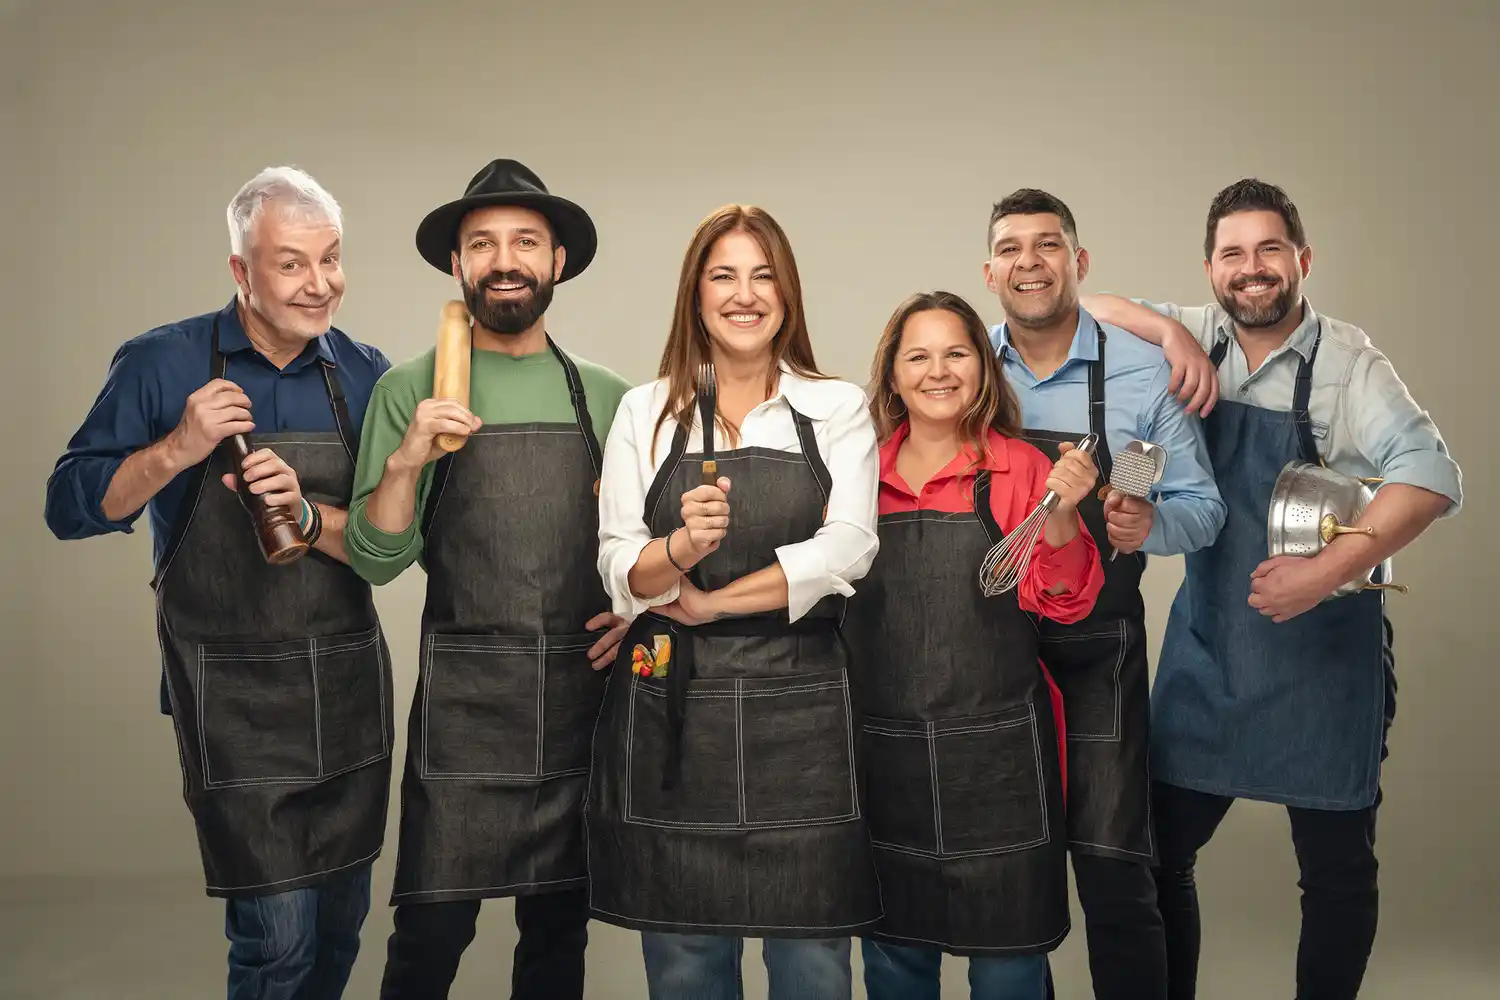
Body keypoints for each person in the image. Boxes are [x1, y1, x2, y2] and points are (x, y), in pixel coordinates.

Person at [1081, 177, 1464, 1000]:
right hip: (1212, 646)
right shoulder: (1195, 334)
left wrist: (1324, 574)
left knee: (1334, 873)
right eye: (1233, 254)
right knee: (1152, 853)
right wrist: (1167, 334)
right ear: (1211, 267)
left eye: (1269, 250)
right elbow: (1094, 309)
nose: (1252, 270)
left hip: (1324, 658)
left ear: (1302, 259)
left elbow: (1432, 477)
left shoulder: (1349, 363)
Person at [43, 166, 394, 1000]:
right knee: (277, 946)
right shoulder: (162, 364)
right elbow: (68, 507)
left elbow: (391, 542)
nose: (320, 285)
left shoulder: (364, 375)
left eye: (332, 260)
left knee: (339, 937)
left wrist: (311, 517)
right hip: (232, 703)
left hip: (347, 694)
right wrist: (177, 447)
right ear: (240, 272)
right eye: (291, 264)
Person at [340, 159, 632, 1000]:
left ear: (558, 262)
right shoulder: (411, 388)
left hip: (583, 697)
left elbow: (642, 551)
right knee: (429, 935)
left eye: (526, 242)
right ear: (457, 266)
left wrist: (635, 613)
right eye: (483, 244)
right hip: (466, 706)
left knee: (557, 935)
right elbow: (375, 558)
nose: (506, 259)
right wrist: (408, 459)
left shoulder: (609, 398)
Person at [586, 203, 883, 999]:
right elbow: (620, 565)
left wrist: (713, 603)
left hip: (802, 711)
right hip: (672, 716)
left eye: (764, 275)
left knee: (815, 964)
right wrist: (681, 549)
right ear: (696, 295)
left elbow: (848, 546)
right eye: (724, 275)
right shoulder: (644, 412)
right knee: (685, 964)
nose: (744, 293)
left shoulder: (836, 407)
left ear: (787, 294)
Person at [982, 188, 1227, 999]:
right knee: (1017, 878)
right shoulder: (964, 368)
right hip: (991, 652)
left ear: (1078, 263)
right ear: (990, 272)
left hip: (1099, 653)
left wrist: (1140, 523)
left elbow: (1202, 511)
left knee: (1116, 871)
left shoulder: (1139, 371)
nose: (1030, 262)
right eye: (1012, 248)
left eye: (1047, 245)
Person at [847, 290, 1105, 1000]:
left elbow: (1067, 601)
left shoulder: (1023, 469)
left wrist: (1061, 514)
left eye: (956, 353)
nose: (939, 371)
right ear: (893, 375)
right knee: (894, 961)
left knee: (1011, 963)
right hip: (884, 756)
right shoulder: (855, 474)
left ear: (982, 370)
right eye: (918, 356)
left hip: (1000, 765)